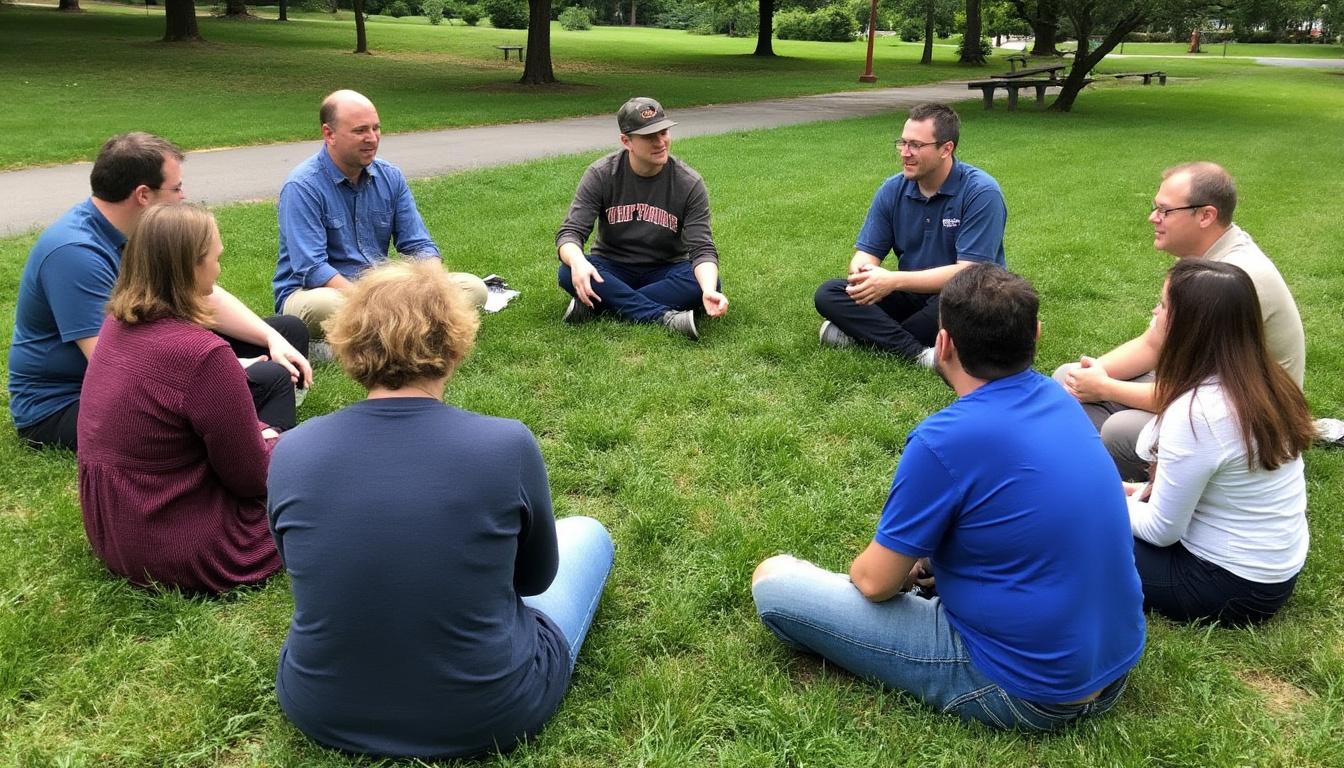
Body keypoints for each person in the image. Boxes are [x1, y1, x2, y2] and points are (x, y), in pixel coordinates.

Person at [753, 264, 1145, 730]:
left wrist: (899, 566)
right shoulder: (1063, 399)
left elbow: (875, 583)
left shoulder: (943, 440)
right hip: (1114, 663)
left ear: (943, 344)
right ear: (1036, 334)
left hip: (1026, 689)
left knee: (773, 582)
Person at [267, 260, 614, 759]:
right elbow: (535, 581)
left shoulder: (294, 450)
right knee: (587, 533)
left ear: (349, 346)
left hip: (321, 704)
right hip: (491, 709)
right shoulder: (506, 445)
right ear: (454, 345)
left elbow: (299, 563)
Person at [8, 132, 311, 451]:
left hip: (140, 362)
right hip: (72, 402)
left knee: (286, 331)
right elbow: (112, 362)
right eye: (176, 188)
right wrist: (228, 366)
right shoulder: (75, 253)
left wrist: (270, 340)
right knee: (267, 378)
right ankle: (264, 452)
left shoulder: (137, 231)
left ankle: (258, 414)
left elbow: (203, 295)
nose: (183, 196)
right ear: (143, 195)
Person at [77, 203, 282, 593]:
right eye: (216, 259)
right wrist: (277, 442)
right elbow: (250, 479)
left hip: (115, 529)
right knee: (314, 486)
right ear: (192, 266)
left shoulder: (116, 326)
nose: (219, 269)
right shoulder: (203, 353)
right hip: (178, 547)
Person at [1057, 162, 1305, 480]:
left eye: (1164, 210)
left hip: (1247, 422)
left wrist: (1105, 387)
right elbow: (1153, 344)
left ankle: (1134, 489)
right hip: (1201, 394)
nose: (1153, 218)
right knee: (1068, 378)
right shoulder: (1202, 258)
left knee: (1121, 432)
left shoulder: (1233, 279)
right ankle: (1087, 468)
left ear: (1205, 215)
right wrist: (1085, 379)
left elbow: (1196, 397)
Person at [1125, 260, 1313, 625]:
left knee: (1074, 528)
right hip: (1271, 571)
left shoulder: (1200, 412)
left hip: (1227, 586)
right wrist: (1128, 493)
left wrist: (1099, 498)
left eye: (1163, 305)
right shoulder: (1264, 379)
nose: (1154, 311)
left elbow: (1161, 531)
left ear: (1189, 325)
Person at [272, 89, 488, 348]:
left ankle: (381, 334)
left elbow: (419, 245)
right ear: (329, 134)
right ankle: (405, 331)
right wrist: (375, 301)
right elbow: (313, 269)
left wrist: (435, 289)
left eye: (376, 128)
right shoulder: (302, 186)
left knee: (473, 289)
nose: (372, 139)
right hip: (319, 293)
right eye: (360, 130)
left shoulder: (390, 177)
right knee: (326, 307)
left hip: (382, 290)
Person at [813, 103, 1007, 365]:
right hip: (910, 293)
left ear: (946, 149)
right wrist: (863, 275)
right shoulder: (893, 189)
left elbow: (969, 272)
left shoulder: (981, 192)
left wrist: (892, 281)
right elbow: (866, 254)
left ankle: (865, 334)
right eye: (902, 143)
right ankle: (922, 353)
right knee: (829, 293)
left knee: (962, 309)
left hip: (963, 296)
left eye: (916, 145)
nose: (905, 153)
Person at [555, 96, 728, 341]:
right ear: (627, 141)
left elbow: (702, 248)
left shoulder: (689, 183)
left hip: (666, 269)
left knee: (704, 282)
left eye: (664, 132)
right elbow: (570, 233)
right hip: (612, 265)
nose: (661, 142)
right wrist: (578, 261)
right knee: (567, 271)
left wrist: (709, 289)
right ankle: (664, 318)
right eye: (649, 136)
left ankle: (601, 305)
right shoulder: (601, 174)